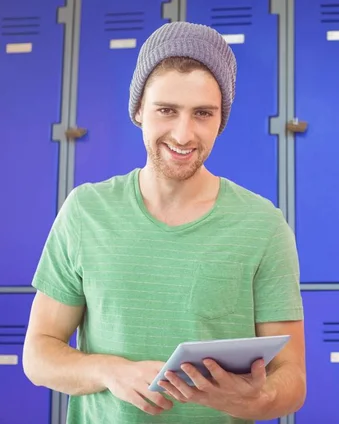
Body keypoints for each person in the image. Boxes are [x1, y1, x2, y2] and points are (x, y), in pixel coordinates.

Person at [22, 21, 306, 423]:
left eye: (202, 114)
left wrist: (256, 402)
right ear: (139, 110)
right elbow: (39, 353)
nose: (183, 134)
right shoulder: (86, 211)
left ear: (220, 119)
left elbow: (292, 377)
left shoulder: (263, 225)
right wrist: (109, 371)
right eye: (166, 110)